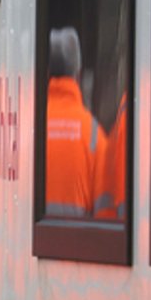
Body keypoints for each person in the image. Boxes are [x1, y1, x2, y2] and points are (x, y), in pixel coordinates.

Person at [44, 27, 104, 220]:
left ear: (46, 74)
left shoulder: (26, 129)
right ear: (78, 75)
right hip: (78, 249)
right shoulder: (94, 134)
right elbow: (104, 216)